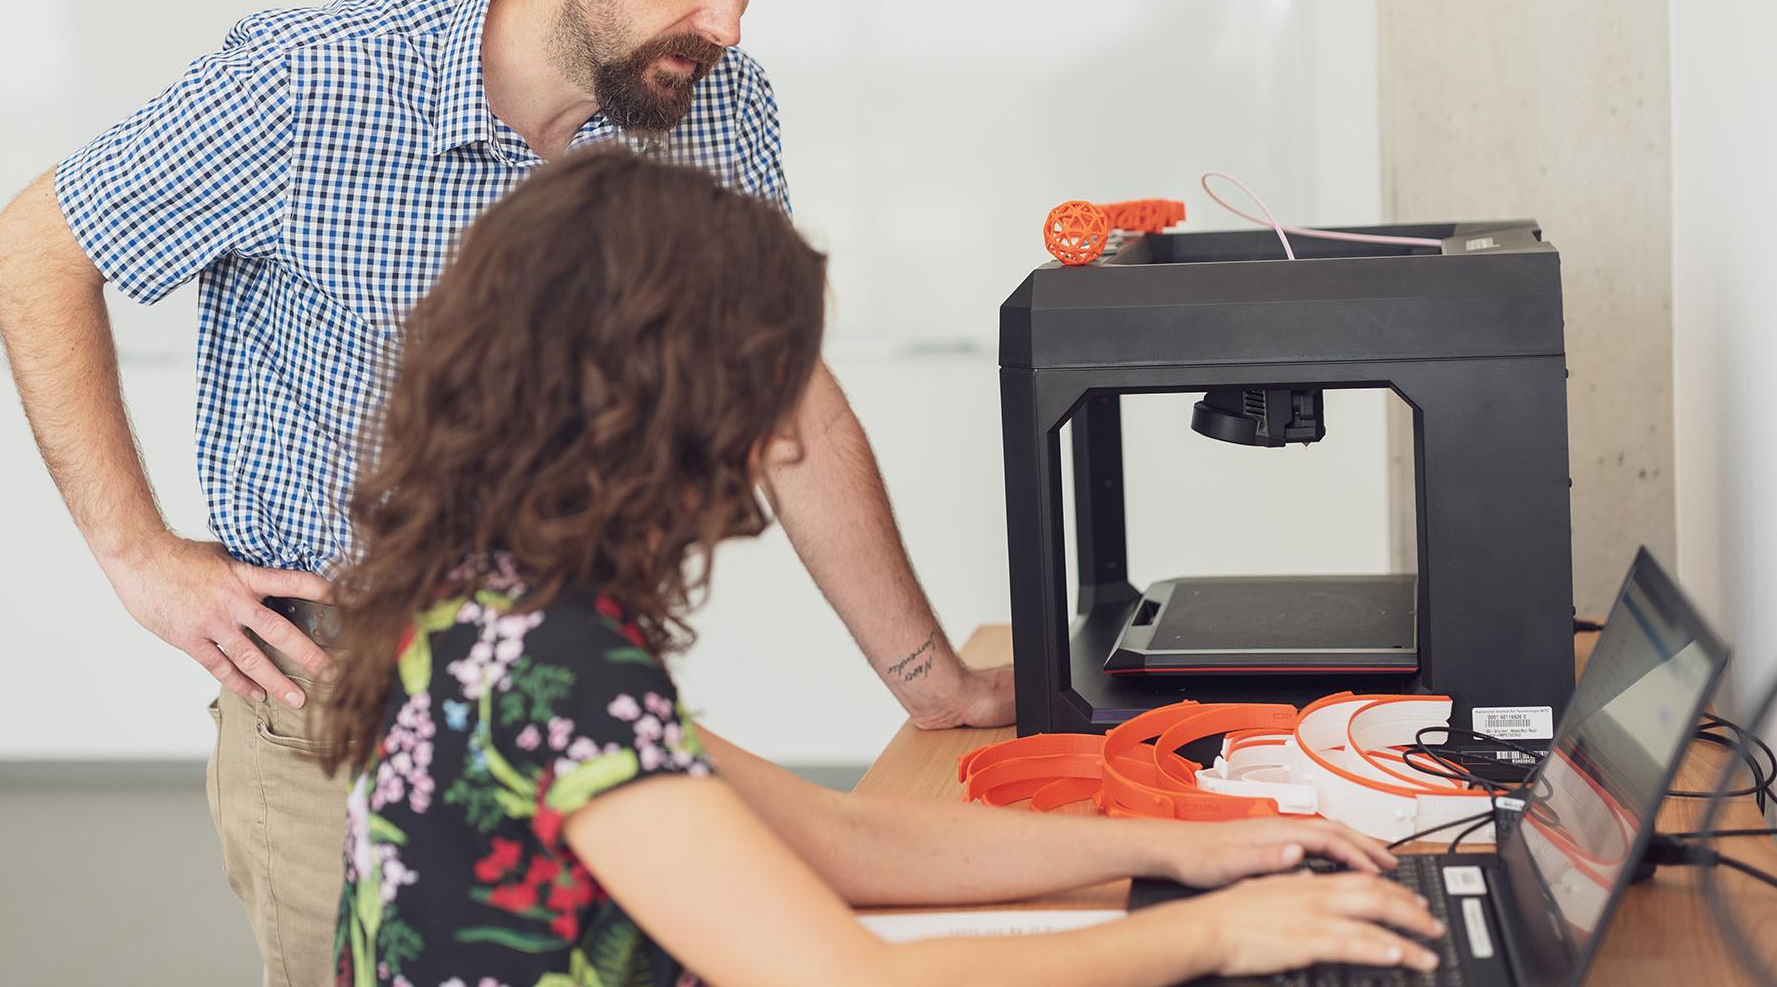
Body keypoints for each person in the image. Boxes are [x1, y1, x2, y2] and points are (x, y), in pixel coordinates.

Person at [0, 0, 1008, 986]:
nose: (728, 21)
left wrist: (926, 677)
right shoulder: (314, 86)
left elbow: (787, 402)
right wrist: (138, 555)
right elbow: (37, 245)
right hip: (335, 697)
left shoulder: (717, 109)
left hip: (567, 682)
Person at [320, 148, 1445, 987]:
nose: (785, 442)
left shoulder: (476, 615)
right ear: (656, 404)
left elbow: (839, 837)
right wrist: (1215, 932)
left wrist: (1186, 842)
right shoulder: (553, 665)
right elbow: (848, 980)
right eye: (764, 386)